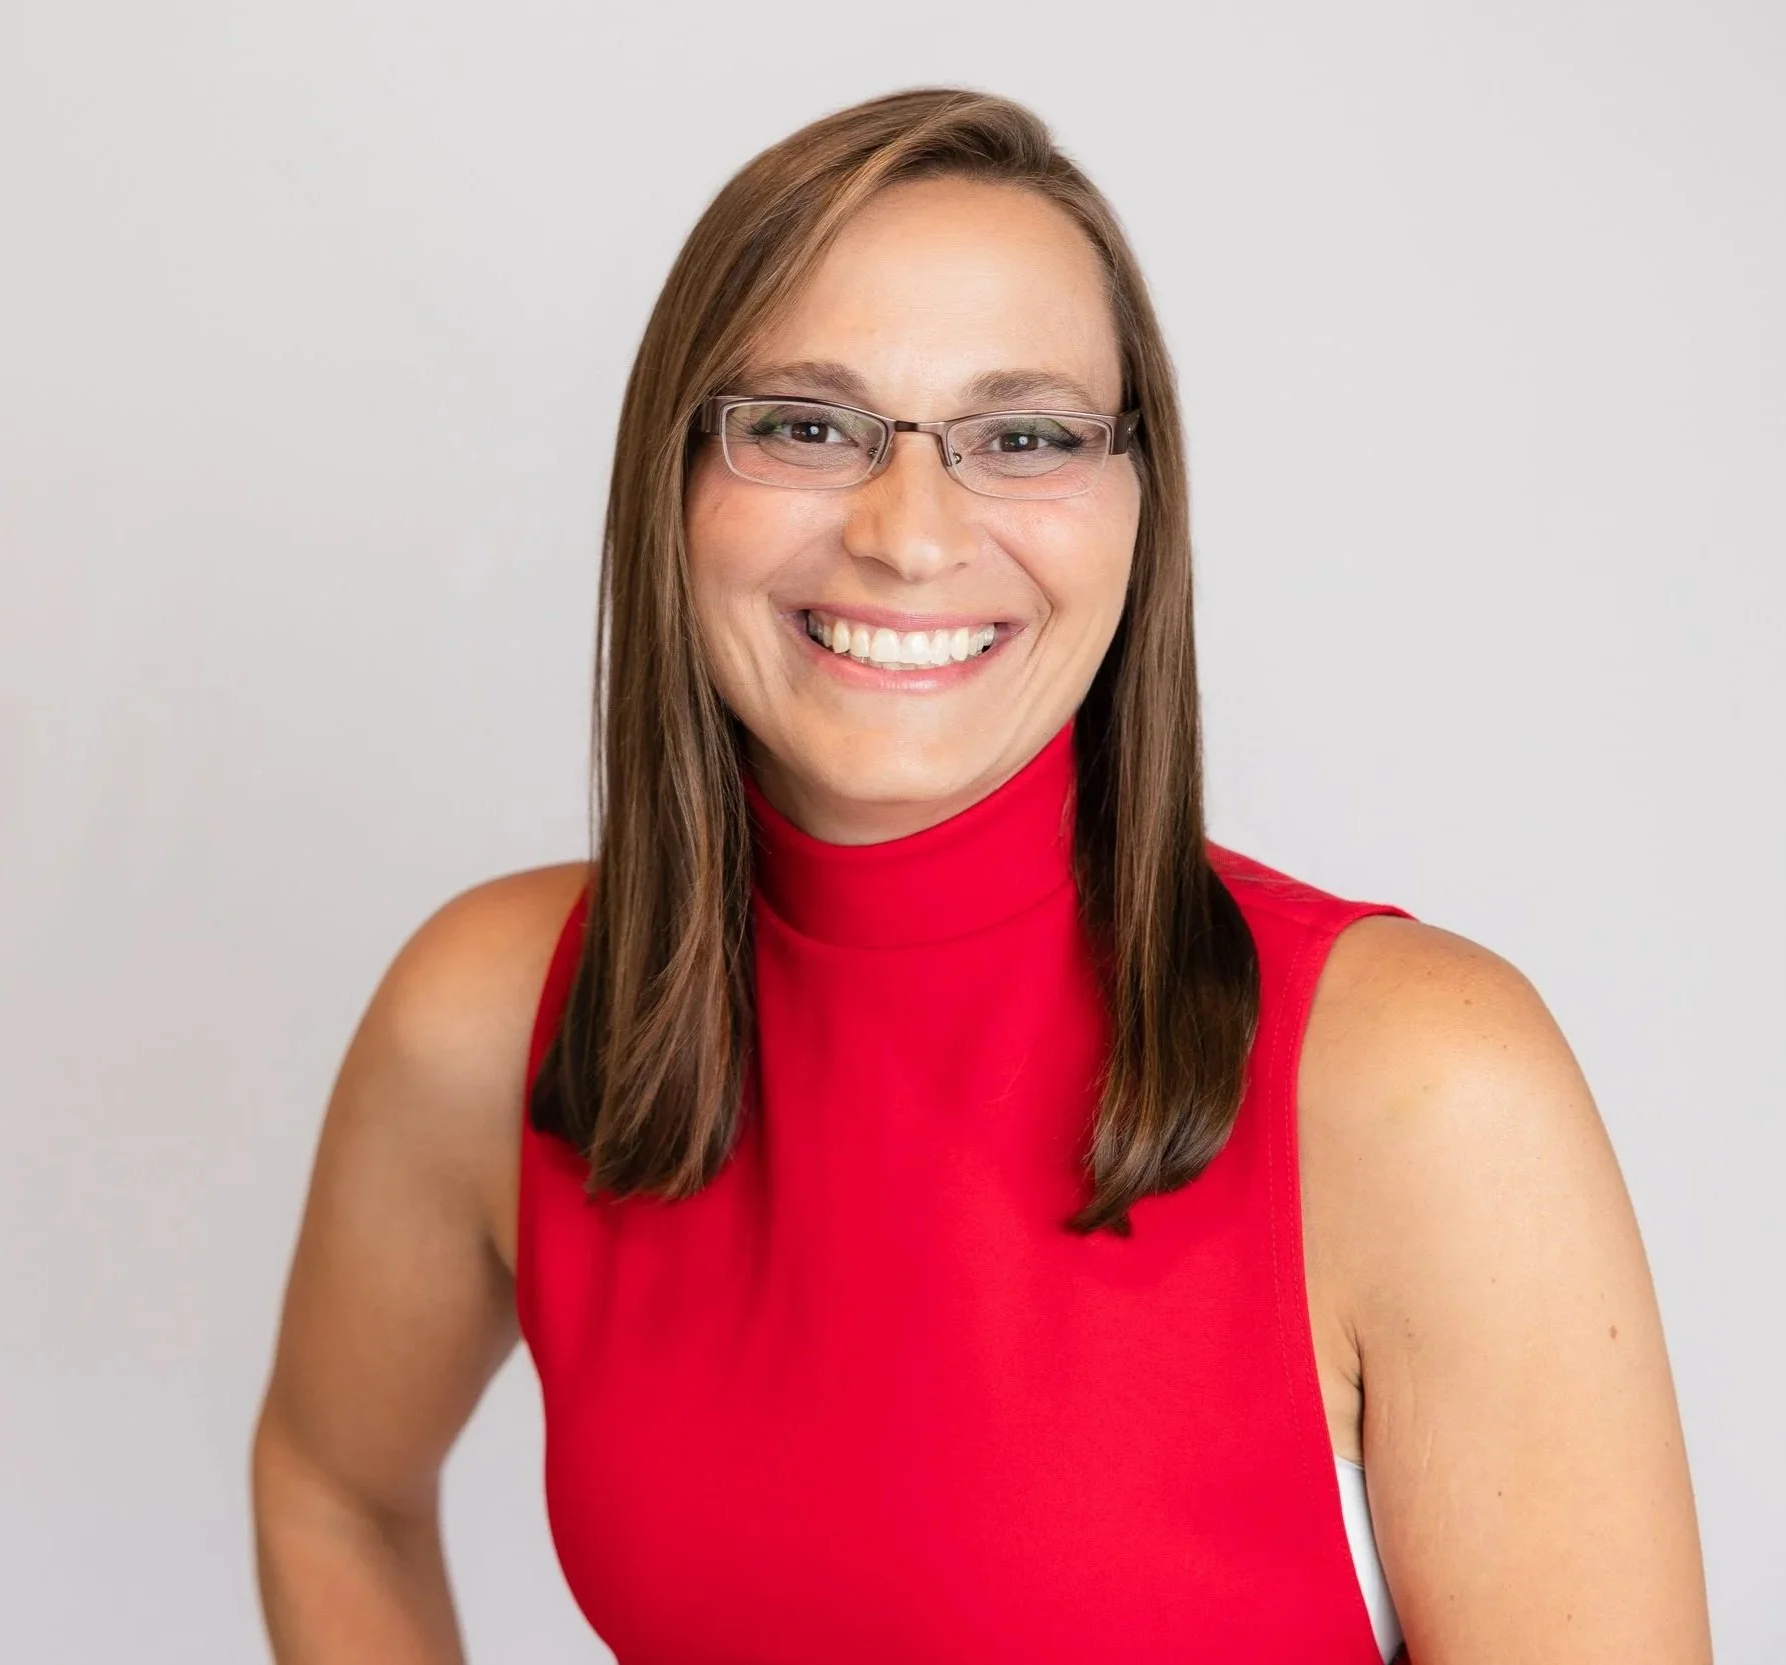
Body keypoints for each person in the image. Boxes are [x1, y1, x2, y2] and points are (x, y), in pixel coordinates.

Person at [251, 88, 1711, 1663]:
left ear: (1139, 505)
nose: (910, 534)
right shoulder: (493, 1017)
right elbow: (332, 1489)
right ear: (671, 481)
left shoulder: (1419, 1081)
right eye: (806, 426)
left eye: (1022, 437)